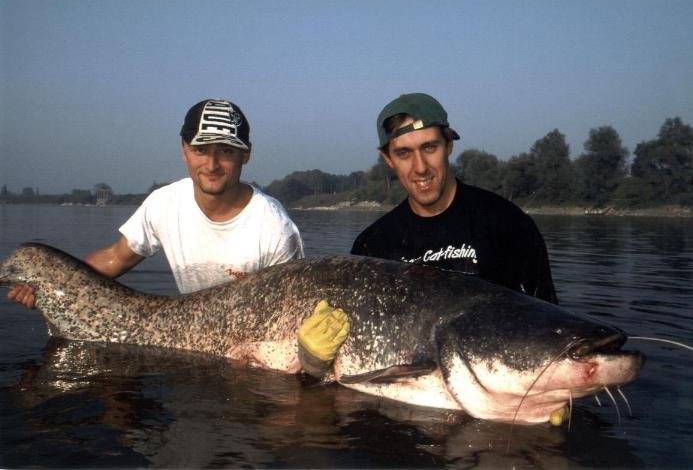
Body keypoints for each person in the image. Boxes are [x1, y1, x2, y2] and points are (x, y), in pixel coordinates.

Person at [7, 98, 348, 377]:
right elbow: (116, 257)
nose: (212, 163)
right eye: (201, 149)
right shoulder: (164, 203)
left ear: (246, 154)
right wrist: (53, 286)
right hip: (184, 341)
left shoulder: (274, 228)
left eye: (226, 151)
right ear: (184, 149)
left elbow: (295, 318)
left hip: (246, 355)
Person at [351, 92, 558, 304]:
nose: (420, 167)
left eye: (429, 147)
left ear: (449, 145)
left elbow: (550, 321)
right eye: (404, 153)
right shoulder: (371, 247)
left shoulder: (509, 225)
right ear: (388, 159)